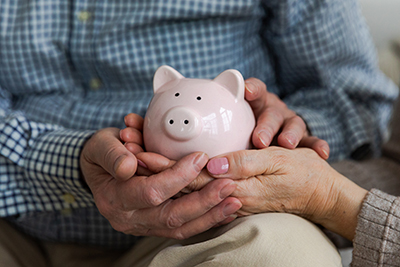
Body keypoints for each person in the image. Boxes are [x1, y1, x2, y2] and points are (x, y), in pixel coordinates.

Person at [0, 0, 398, 266]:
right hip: (15, 216)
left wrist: (288, 137)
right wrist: (72, 159)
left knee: (283, 254)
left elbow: (357, 99)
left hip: (215, 225)